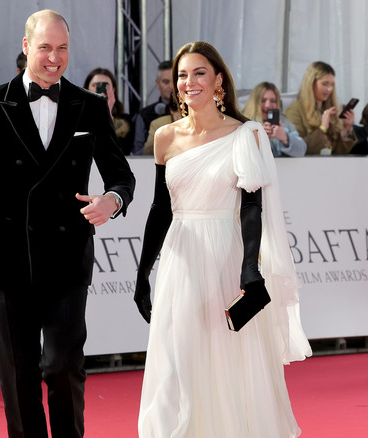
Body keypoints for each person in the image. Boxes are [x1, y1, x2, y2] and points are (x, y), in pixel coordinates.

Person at [0, 10, 135, 438]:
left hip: (67, 254)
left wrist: (112, 199)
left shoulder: (89, 105)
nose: (54, 58)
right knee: (17, 371)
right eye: (45, 47)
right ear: (26, 46)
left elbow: (122, 175)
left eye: (62, 48)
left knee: (63, 364)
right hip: (8, 251)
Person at [133, 41, 310, 437]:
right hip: (180, 259)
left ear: (217, 80)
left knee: (229, 359)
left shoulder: (244, 134)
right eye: (182, 74)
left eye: (199, 73)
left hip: (225, 258)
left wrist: (250, 269)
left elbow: (251, 207)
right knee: (177, 358)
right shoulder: (164, 137)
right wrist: (143, 271)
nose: (189, 82)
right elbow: (161, 209)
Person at [285, 61, 356, 155]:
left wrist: (347, 128)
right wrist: (322, 128)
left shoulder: (331, 110)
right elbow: (298, 149)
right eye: (325, 84)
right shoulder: (294, 111)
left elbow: (340, 152)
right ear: (311, 83)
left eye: (331, 85)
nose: (329, 89)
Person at [242, 81, 307, 157]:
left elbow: (302, 150)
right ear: (254, 102)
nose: (268, 105)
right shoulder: (243, 122)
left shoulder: (283, 122)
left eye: (273, 101)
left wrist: (286, 138)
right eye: (263, 100)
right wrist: (258, 138)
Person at [84, 67, 132, 154]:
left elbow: (124, 150)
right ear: (87, 89)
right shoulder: (76, 118)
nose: (99, 91)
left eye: (105, 86)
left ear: (113, 89)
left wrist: (107, 113)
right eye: (95, 85)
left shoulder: (125, 121)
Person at [132, 60, 173, 155]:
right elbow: (137, 153)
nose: (171, 86)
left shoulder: (192, 111)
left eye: (174, 81)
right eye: (166, 82)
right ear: (158, 84)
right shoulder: (144, 115)